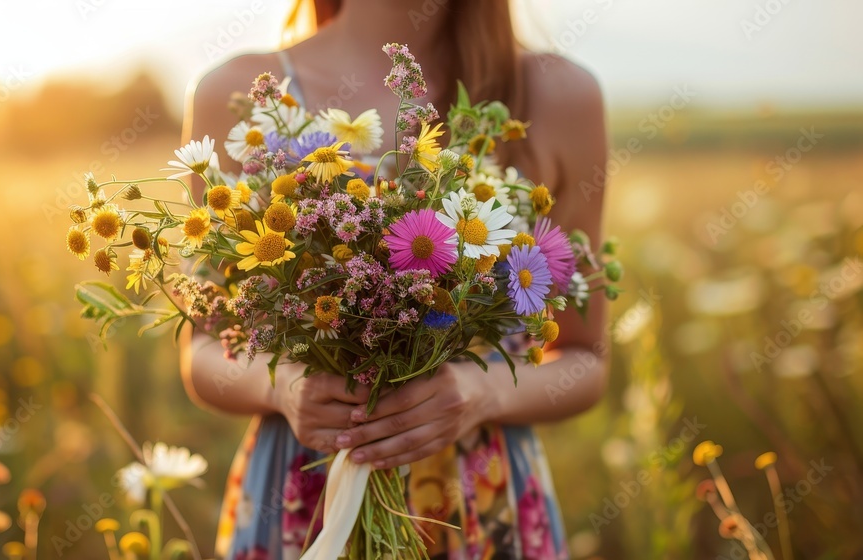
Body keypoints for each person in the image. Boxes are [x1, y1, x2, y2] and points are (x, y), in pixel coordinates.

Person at [179, 0, 608, 557]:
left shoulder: (559, 94)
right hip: (306, 496)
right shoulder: (234, 92)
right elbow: (203, 350)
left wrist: (482, 393)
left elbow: (586, 360)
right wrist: (282, 388)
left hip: (480, 506)